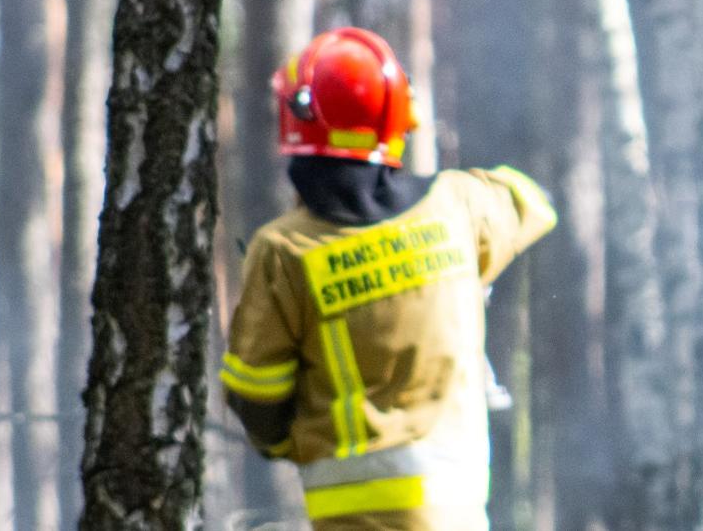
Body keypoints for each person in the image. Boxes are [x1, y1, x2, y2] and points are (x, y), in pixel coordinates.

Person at [220, 27, 557, 529]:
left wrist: (290, 438)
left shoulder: (285, 250)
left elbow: (257, 398)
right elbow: (535, 202)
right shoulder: (457, 206)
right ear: (399, 121)